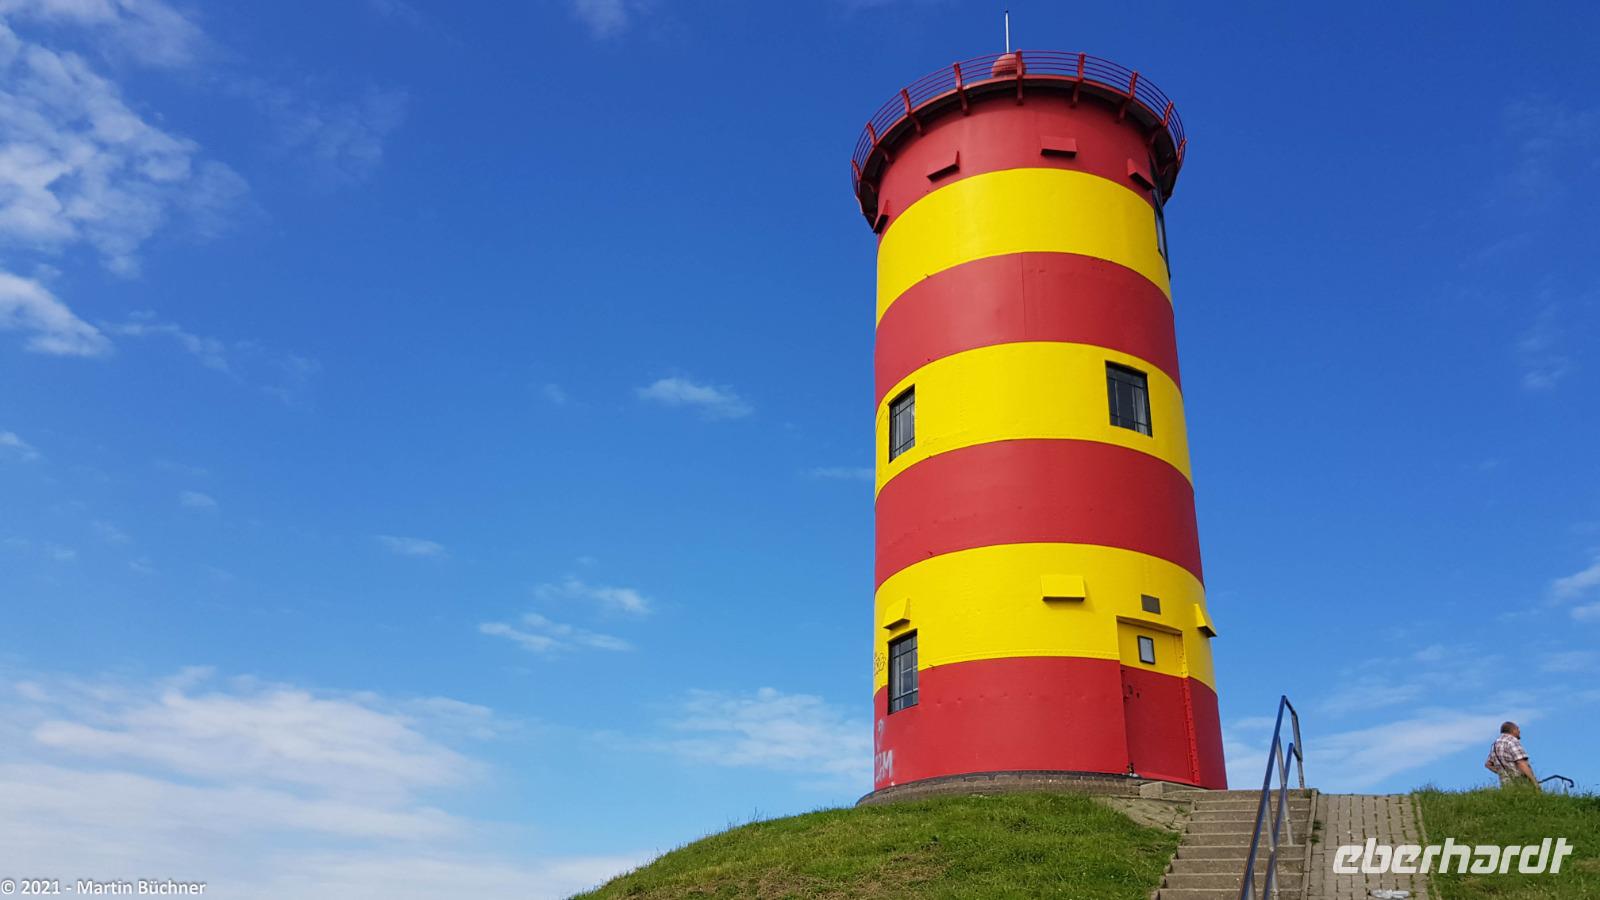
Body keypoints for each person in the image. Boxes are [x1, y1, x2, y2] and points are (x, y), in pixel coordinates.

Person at [1484, 721, 1539, 790]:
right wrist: (1534, 782)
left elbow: (1488, 764)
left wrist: (1503, 774)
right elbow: (1521, 763)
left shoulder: (1495, 744)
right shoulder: (1512, 741)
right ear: (1513, 730)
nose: (1519, 731)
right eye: (1517, 729)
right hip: (1522, 784)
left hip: (1506, 786)